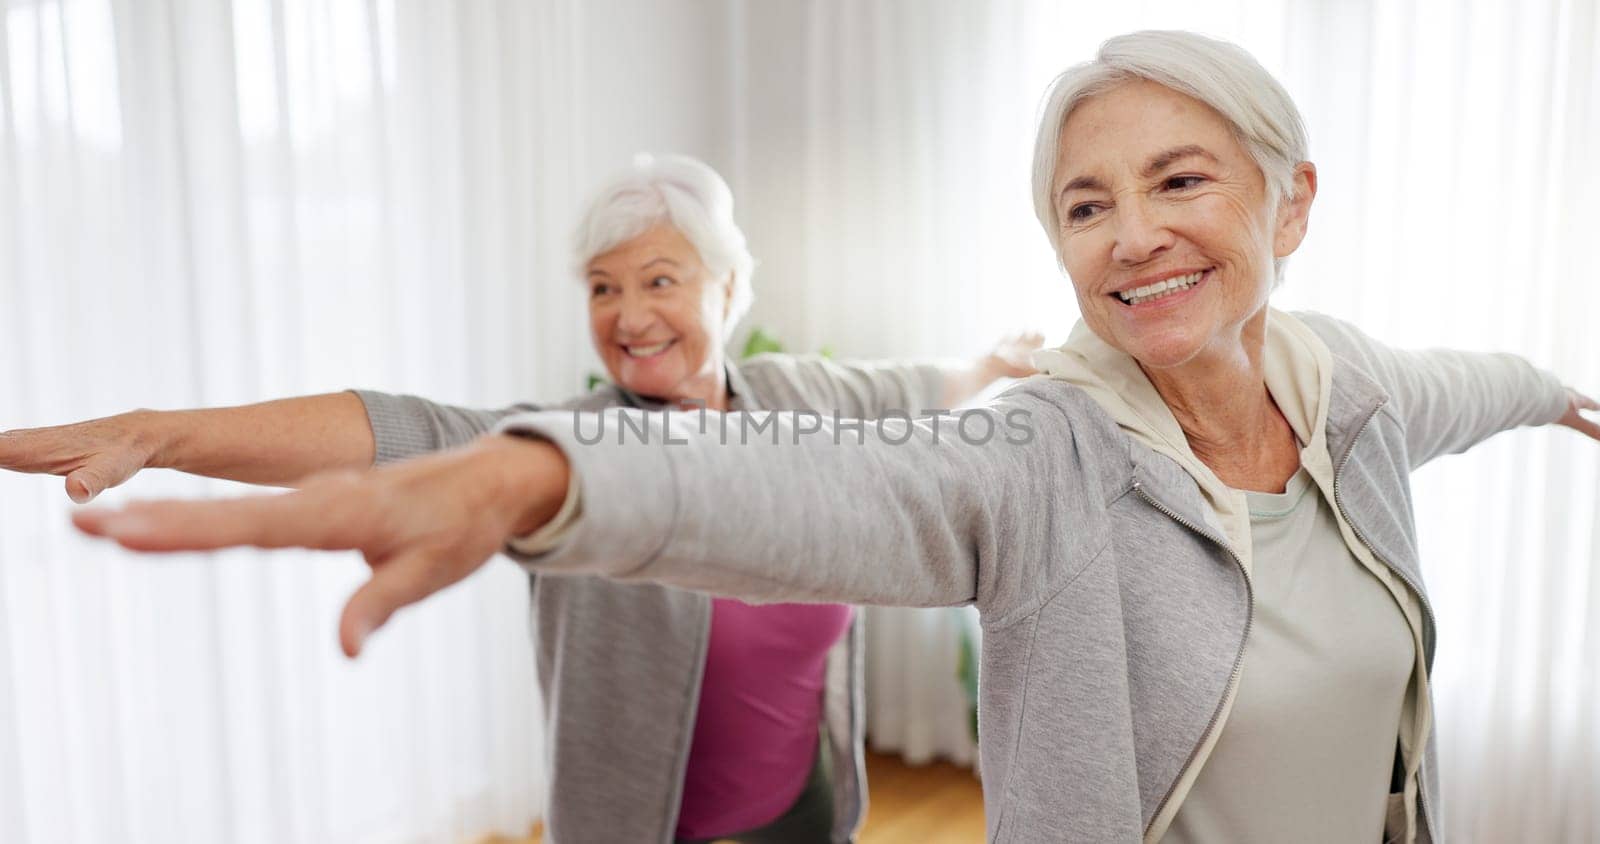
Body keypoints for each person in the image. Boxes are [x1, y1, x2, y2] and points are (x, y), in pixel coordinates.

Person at [40, 30, 1600, 844]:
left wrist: (1554, 384)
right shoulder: (1036, 460)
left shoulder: (1349, 390)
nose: (1131, 238)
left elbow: (908, 397)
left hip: (804, 799)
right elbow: (778, 480)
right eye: (1085, 204)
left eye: (1180, 183)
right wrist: (533, 471)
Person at [0, 154, 1041, 844]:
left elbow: (920, 387)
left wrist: (994, 360)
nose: (627, 314)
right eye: (601, 285)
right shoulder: (567, 445)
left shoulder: (805, 399)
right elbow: (403, 428)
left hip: (808, 809)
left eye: (661, 279)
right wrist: (168, 434)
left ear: (729, 289)